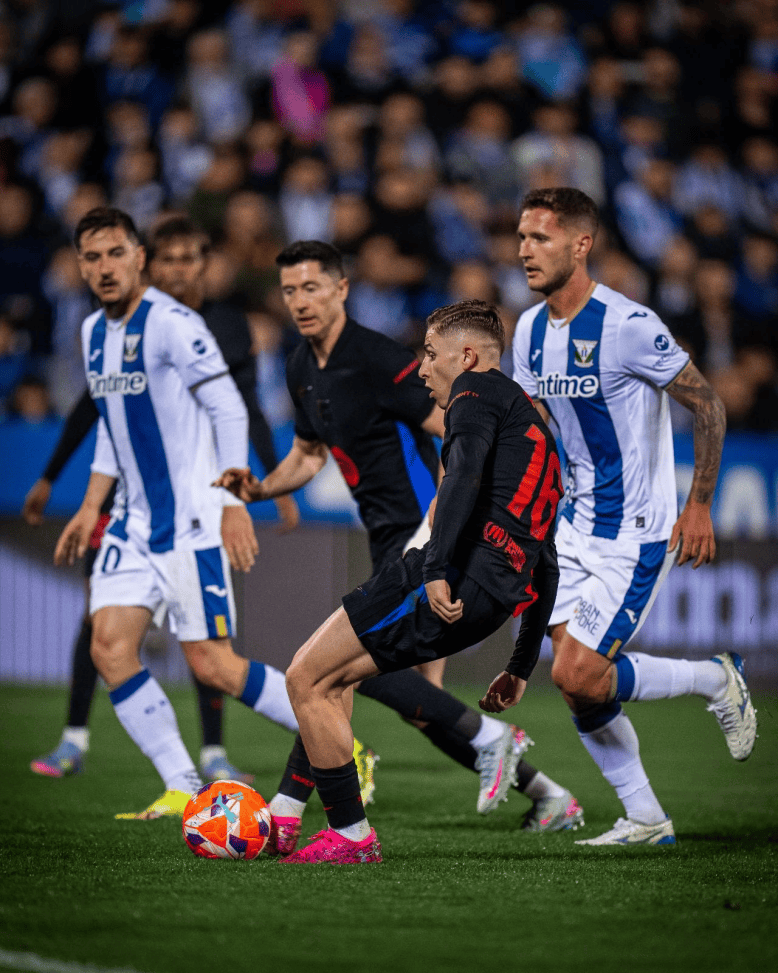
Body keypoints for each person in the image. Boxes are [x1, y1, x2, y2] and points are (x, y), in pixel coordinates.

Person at [217, 241, 581, 856]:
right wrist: (259, 488)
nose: (299, 301)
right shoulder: (303, 368)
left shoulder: (382, 358)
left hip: (425, 524)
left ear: (341, 289)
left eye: (312, 287)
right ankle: (542, 788)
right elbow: (308, 454)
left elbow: (456, 434)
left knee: (326, 670)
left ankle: (309, 812)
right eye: (289, 291)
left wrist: (444, 538)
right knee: (382, 686)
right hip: (404, 534)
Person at [511, 187, 757, 847]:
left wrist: (698, 502)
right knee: (576, 685)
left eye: (539, 238)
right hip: (569, 529)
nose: (523, 250)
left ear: (581, 244)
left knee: (578, 673)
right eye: (522, 236)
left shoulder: (627, 324)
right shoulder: (528, 330)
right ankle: (646, 815)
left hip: (635, 531)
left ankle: (714, 676)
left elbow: (707, 405)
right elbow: (537, 430)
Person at [25, 216, 299, 784]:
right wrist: (87, 505)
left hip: (195, 521)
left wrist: (232, 504)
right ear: (80, 265)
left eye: (115, 253)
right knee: (108, 646)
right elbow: (112, 426)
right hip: (132, 522)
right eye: (91, 257)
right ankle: (183, 785)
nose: (103, 267)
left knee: (213, 665)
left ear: (139, 258)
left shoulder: (174, 324)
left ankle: (338, 744)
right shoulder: (92, 330)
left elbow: (229, 407)